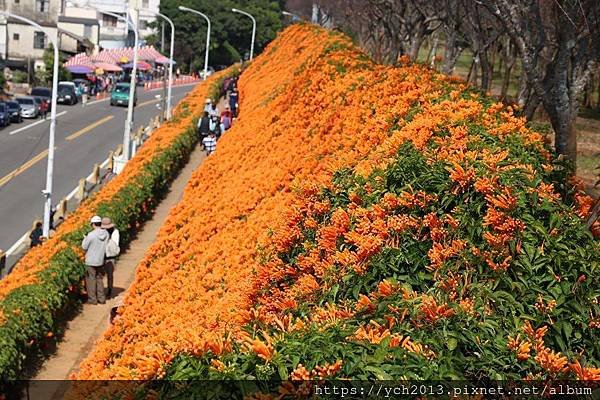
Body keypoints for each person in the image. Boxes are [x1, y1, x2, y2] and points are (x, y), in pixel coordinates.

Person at [82, 215, 109, 305]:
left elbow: (84, 246)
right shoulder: (106, 234)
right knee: (99, 279)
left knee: (91, 280)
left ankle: (92, 299)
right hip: (100, 260)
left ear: (93, 224)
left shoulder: (91, 235)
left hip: (90, 261)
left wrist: (85, 238)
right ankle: (102, 299)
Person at [102, 217, 120, 299]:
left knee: (110, 274)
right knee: (102, 275)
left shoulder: (115, 232)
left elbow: (115, 244)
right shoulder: (102, 232)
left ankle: (109, 289)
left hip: (110, 256)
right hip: (103, 256)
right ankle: (102, 291)